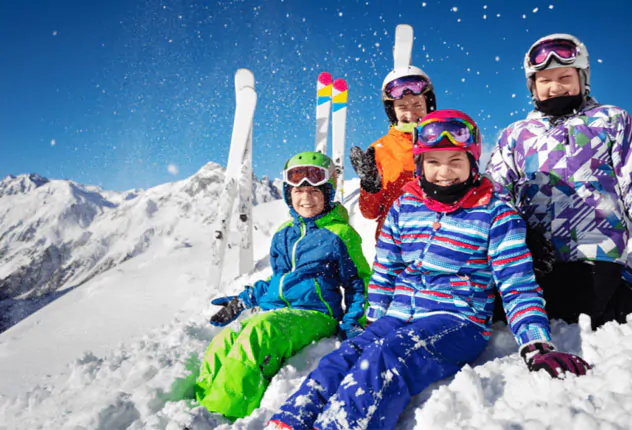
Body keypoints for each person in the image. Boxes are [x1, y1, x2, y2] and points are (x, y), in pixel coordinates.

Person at [267, 110, 590, 430]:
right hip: (399, 314)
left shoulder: (495, 212)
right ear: (420, 164)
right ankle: (289, 422)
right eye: (433, 161)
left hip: (456, 319)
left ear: (472, 162)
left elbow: (517, 284)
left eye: (455, 161)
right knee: (344, 356)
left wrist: (536, 344)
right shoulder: (404, 207)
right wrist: (374, 320)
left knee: (387, 357)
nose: (444, 172)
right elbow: (386, 268)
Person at [487, 33, 632, 330]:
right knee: (499, 311)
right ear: (533, 86)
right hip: (534, 260)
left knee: (575, 312)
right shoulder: (516, 135)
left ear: (583, 78)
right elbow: (493, 195)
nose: (555, 87)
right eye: (544, 80)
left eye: (565, 77)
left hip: (595, 253)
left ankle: (626, 292)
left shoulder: (610, 121)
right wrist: (520, 236)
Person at [194, 151, 371, 420]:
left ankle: (223, 412)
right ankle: (201, 408)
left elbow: (358, 281)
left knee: (260, 331)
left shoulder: (340, 234)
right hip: (279, 311)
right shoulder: (283, 234)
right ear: (289, 195)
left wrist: (354, 321)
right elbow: (280, 280)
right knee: (225, 340)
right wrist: (244, 299)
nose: (306, 197)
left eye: (314, 191)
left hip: (315, 314)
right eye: (298, 191)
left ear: (328, 193)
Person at [349, 64, 437, 240]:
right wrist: (370, 186)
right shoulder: (379, 150)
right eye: (402, 107)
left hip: (440, 241)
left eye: (417, 105)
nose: (410, 114)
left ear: (428, 104)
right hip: (394, 243)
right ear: (392, 111)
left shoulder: (445, 140)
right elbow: (370, 213)